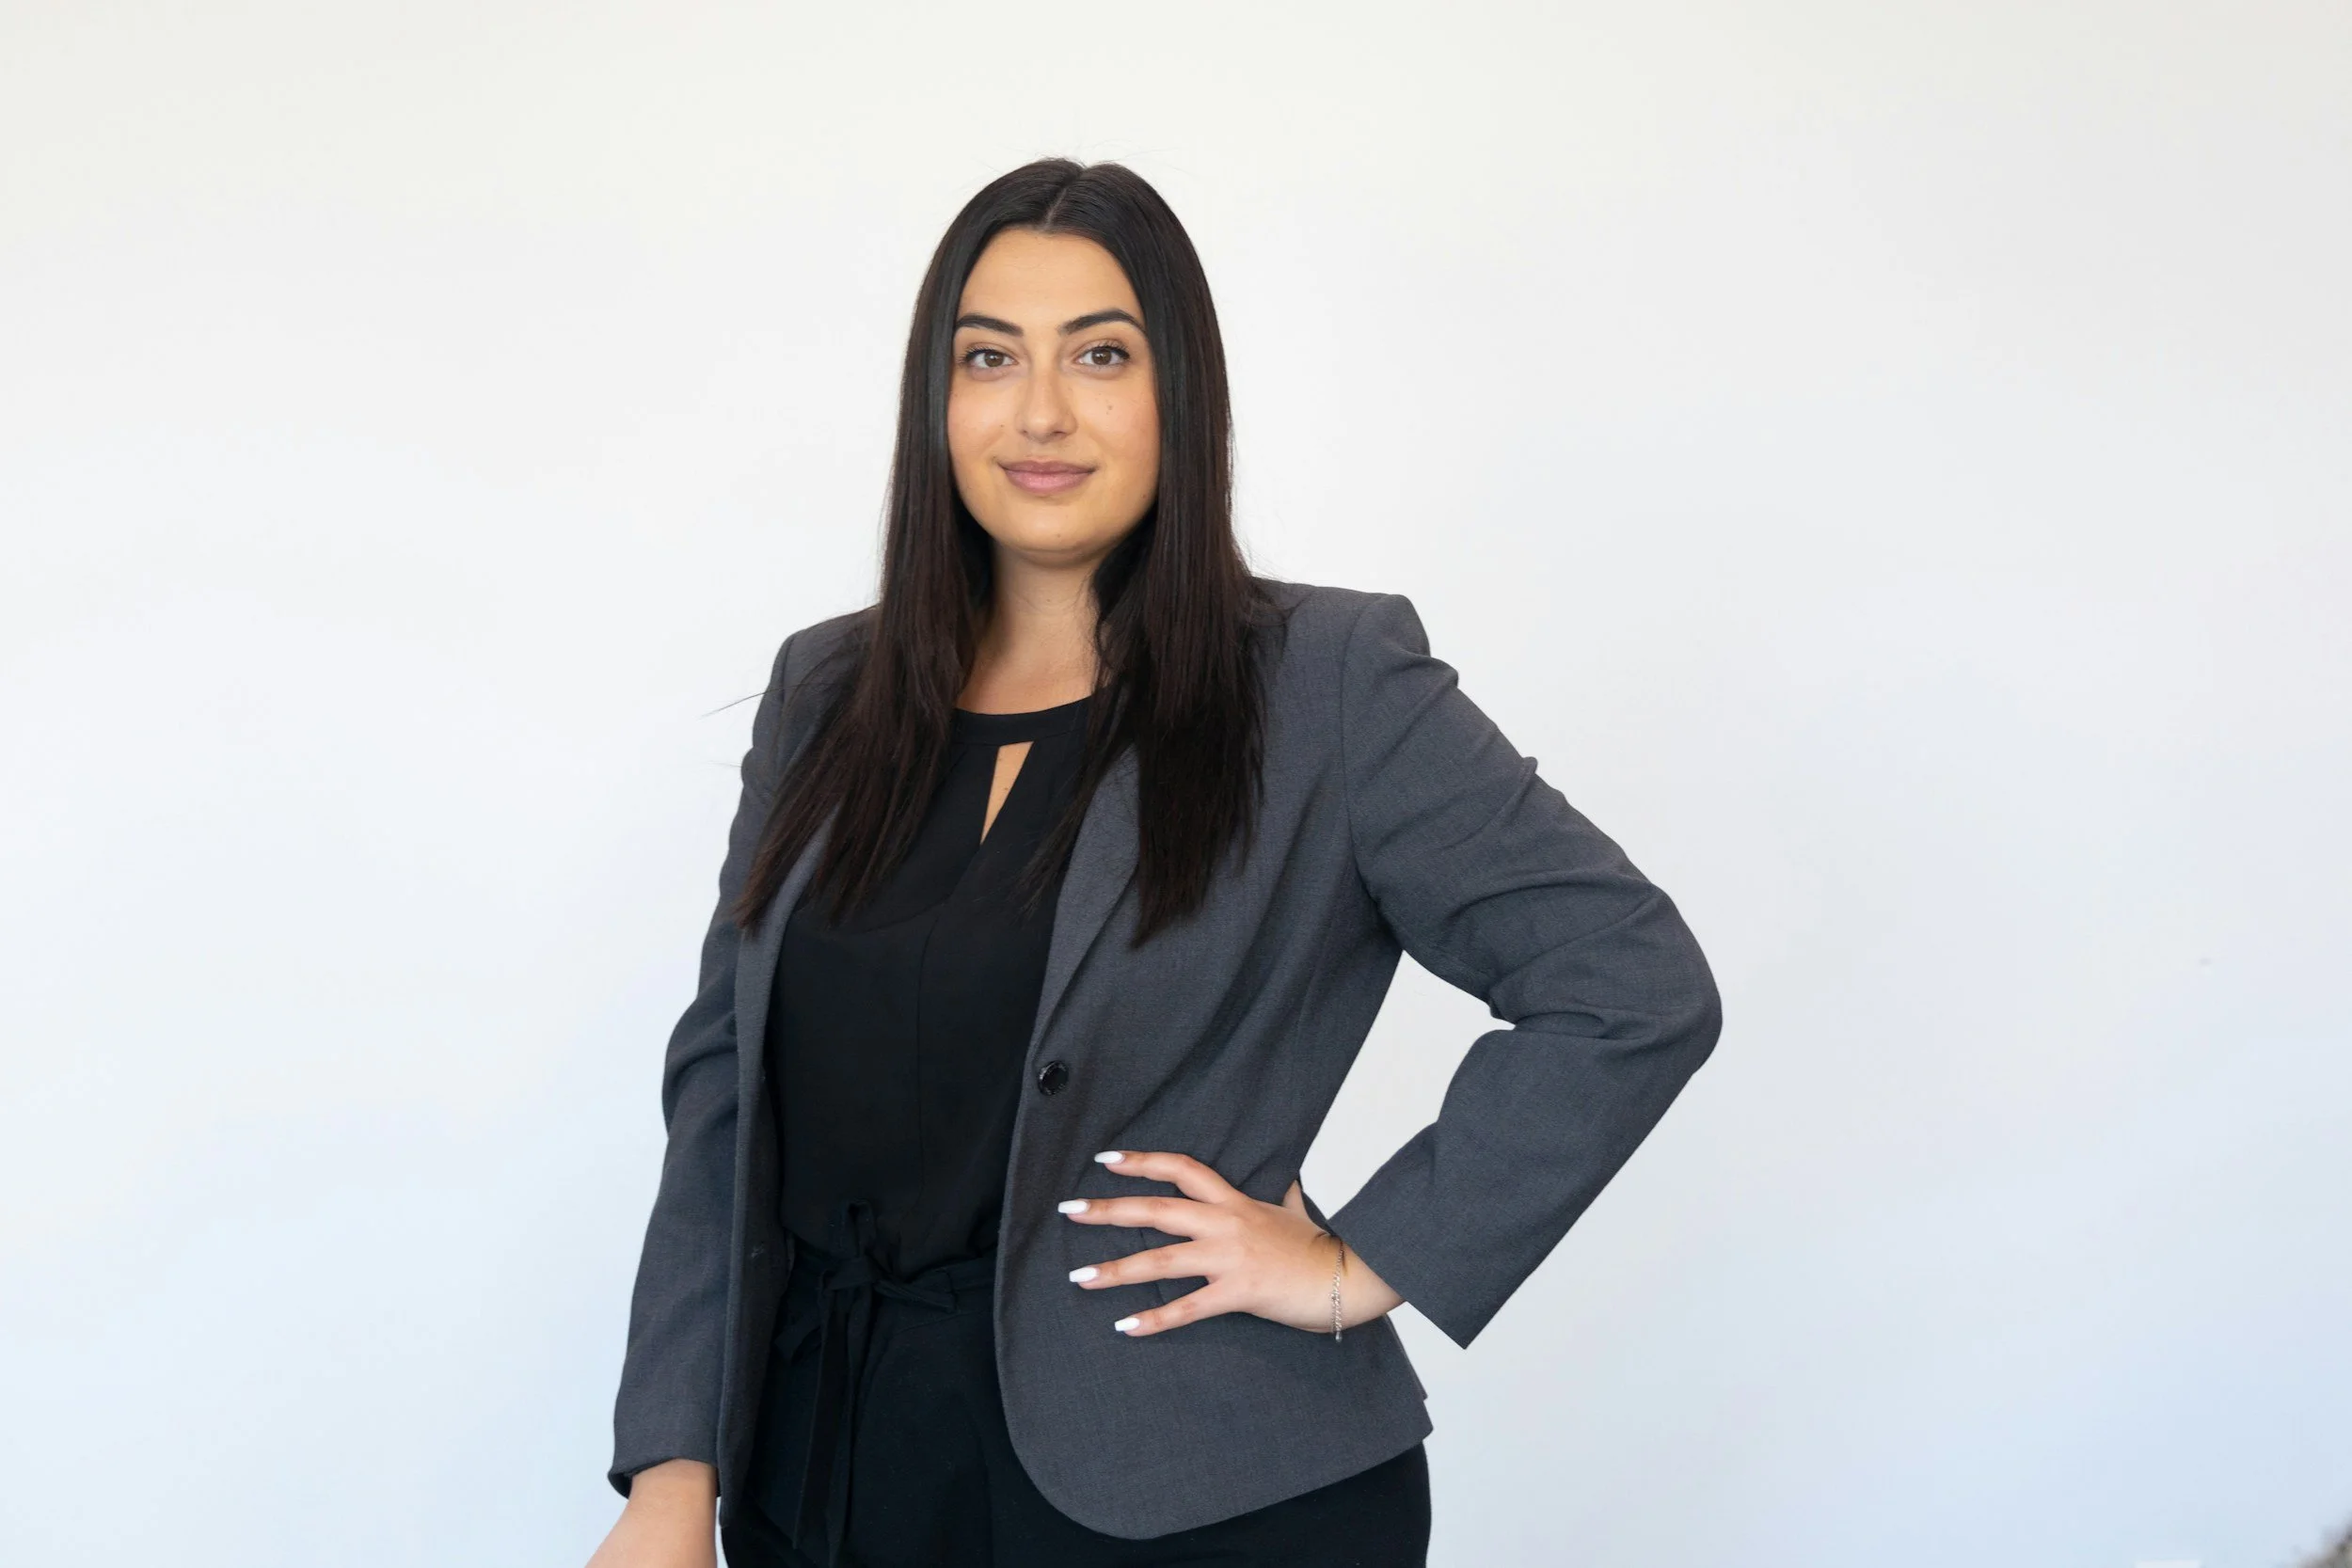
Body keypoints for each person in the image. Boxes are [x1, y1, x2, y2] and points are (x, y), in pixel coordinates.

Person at [583, 158, 1723, 1568]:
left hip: (1201, 1494)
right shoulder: (826, 692)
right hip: (829, 1467)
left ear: (1180, 390)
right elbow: (725, 1097)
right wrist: (672, 1468)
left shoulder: (1329, 685)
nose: (1041, 410)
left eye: (1101, 355)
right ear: (936, 400)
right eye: (989, 355)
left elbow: (1628, 982)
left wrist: (1363, 1261)